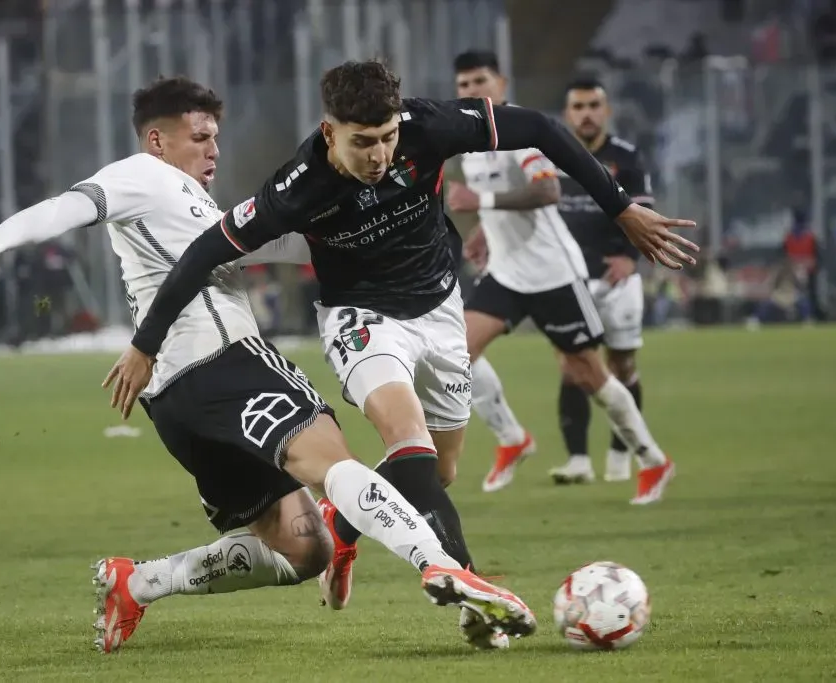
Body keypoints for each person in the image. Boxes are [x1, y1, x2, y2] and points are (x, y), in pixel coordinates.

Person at [0, 76, 535, 654]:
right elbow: (67, 207)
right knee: (335, 465)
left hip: (175, 401)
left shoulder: (188, 200)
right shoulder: (140, 176)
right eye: (199, 137)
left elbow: (261, 243)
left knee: (306, 549)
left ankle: (138, 582)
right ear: (157, 140)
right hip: (225, 363)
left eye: (216, 136)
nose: (213, 148)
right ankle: (441, 567)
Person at [108, 59, 697, 626]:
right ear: (329, 131)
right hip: (361, 318)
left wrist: (620, 210)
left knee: (437, 473)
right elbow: (206, 250)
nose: (381, 155)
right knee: (403, 435)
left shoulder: (428, 126)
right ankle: (468, 586)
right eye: (363, 142)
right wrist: (146, 344)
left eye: (388, 138)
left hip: (440, 311)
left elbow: (540, 128)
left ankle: (344, 526)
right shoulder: (298, 186)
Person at [446, 55, 677, 502]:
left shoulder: (522, 132)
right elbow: (504, 202)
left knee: (588, 373)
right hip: (507, 273)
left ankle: (652, 460)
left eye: (480, 80)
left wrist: (483, 201)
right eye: (464, 82)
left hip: (554, 274)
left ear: (501, 82)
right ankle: (512, 438)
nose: (471, 89)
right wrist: (483, 232)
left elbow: (548, 189)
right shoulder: (472, 140)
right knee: (455, 352)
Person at [547, 76, 662, 486]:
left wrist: (631, 258)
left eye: (594, 105)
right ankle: (578, 460)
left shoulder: (626, 157)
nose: (587, 114)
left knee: (621, 365)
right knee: (573, 367)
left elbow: (642, 210)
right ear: (567, 113)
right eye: (578, 107)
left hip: (615, 278)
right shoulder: (551, 155)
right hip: (569, 277)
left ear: (606, 110)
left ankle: (620, 456)